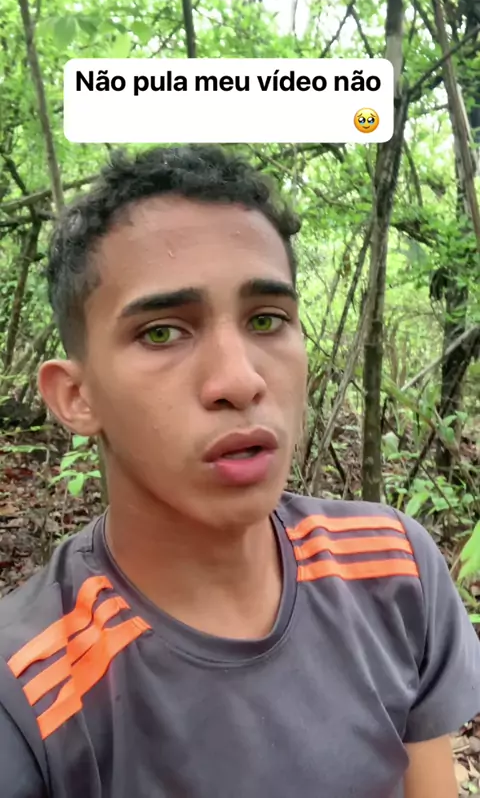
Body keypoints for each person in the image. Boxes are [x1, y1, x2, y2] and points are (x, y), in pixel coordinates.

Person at [0, 145, 479, 798]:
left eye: (266, 320)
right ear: (76, 397)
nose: (239, 379)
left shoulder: (394, 567)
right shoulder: (27, 694)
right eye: (162, 332)